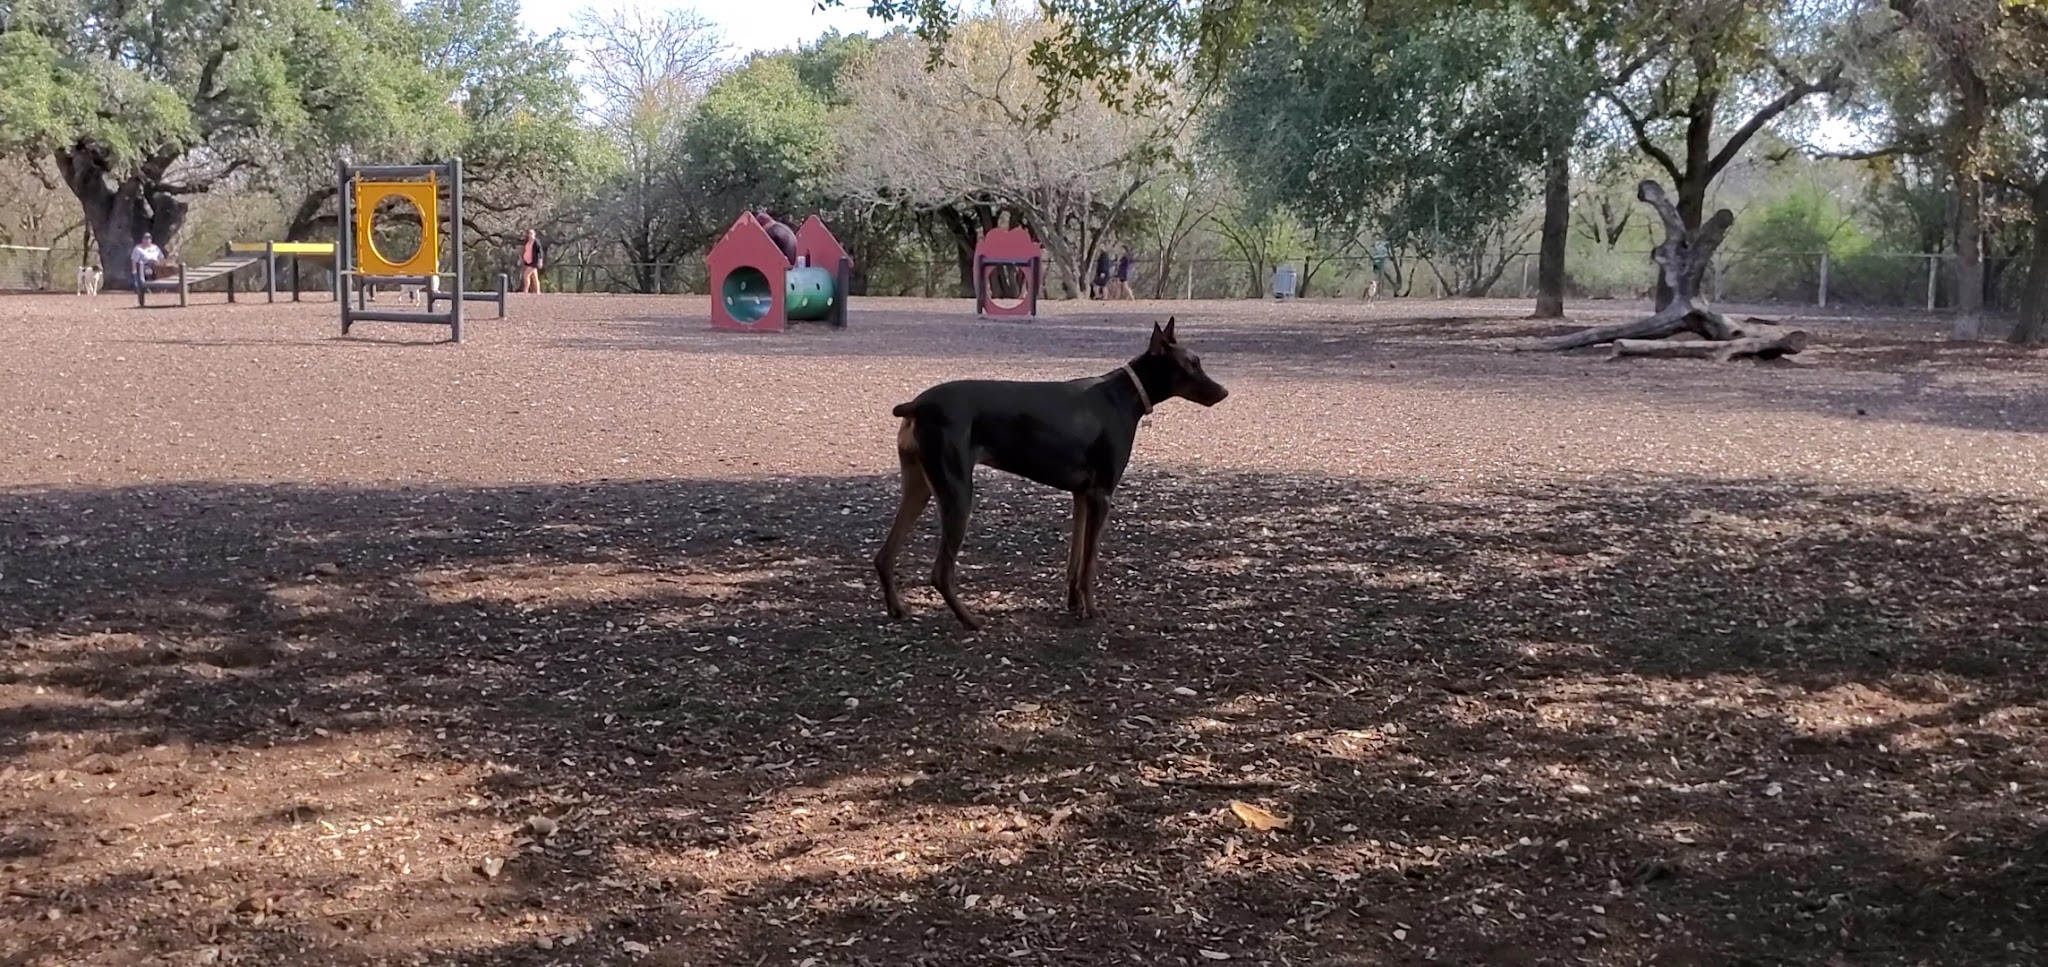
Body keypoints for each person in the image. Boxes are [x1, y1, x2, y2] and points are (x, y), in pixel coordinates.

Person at [518, 229, 546, 294]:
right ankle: (538, 291)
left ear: (534, 234)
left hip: (534, 262)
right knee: (534, 277)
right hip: (528, 262)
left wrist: (540, 260)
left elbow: (540, 251)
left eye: (531, 233)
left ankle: (525, 290)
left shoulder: (536, 242)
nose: (530, 235)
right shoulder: (528, 242)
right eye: (529, 233)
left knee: (526, 275)